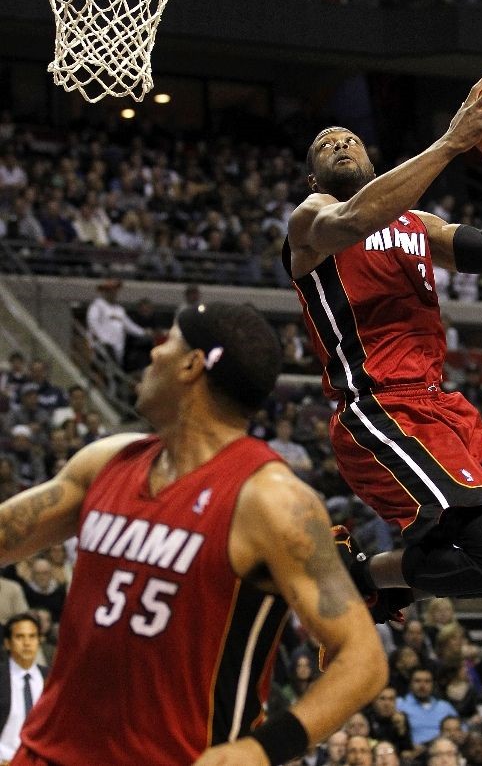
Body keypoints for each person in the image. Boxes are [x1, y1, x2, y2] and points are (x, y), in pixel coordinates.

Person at [0, 302, 388, 766]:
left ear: (192, 364)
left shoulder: (271, 500)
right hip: (45, 754)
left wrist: (263, 750)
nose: (153, 353)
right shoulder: (108, 461)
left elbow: (363, 659)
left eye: (167, 342)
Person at [282, 75, 482, 614]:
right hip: (379, 408)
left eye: (349, 138)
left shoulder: (418, 223)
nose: (340, 143)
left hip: (441, 407)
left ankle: (364, 577)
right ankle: (358, 578)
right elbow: (355, 218)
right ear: (312, 173)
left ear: (369, 156)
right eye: (326, 143)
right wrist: (451, 141)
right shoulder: (311, 219)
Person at [0, 613, 48, 764]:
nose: (27, 643)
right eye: (20, 637)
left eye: (32, 636)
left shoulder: (52, 679)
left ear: (39, 640)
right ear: (7, 643)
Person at [86, 278, 149, 366]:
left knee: (114, 373)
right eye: (110, 290)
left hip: (117, 348)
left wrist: (143, 332)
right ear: (104, 291)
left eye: (115, 290)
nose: (113, 292)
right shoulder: (97, 305)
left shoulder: (119, 309)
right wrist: (102, 339)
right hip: (103, 346)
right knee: (102, 371)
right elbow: (92, 323)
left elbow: (129, 326)